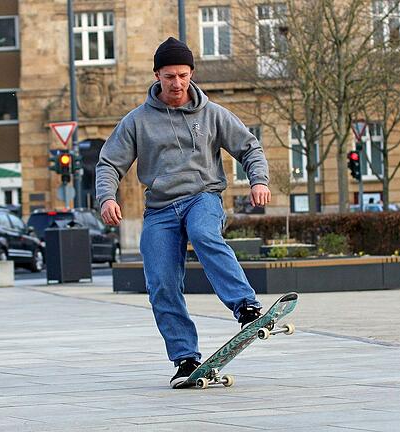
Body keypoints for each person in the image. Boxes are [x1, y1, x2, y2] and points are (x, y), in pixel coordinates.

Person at [96, 37, 271, 389]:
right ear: (157, 75)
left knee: (205, 234)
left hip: (202, 197)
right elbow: (108, 163)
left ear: (192, 73)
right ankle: (185, 358)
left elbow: (249, 147)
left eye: (183, 75)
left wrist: (258, 181)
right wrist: (106, 198)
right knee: (161, 283)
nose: (177, 84)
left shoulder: (214, 114)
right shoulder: (137, 121)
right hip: (159, 209)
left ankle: (246, 306)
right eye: (169, 76)